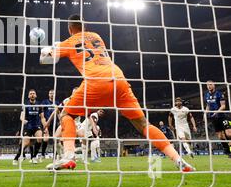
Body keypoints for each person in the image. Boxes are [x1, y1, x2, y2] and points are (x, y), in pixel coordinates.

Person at [40, 15, 194, 172]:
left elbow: (45, 60)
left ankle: (69, 156)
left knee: (66, 115)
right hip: (118, 79)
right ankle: (178, 159)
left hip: (95, 81)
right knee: (143, 124)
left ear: (69, 29)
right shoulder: (97, 36)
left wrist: (48, 49)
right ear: (85, 26)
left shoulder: (69, 42)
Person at [13, 89, 46, 165]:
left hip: (37, 126)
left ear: (36, 95)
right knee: (26, 143)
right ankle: (16, 158)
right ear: (28, 96)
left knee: (40, 138)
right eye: (30, 93)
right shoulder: (26, 105)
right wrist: (23, 120)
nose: (32, 95)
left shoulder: (39, 105)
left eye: (33, 93)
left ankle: (34, 157)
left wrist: (45, 126)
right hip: (28, 126)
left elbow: (42, 117)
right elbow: (21, 116)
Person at [204, 81, 231, 157]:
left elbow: (223, 106)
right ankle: (227, 151)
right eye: (208, 85)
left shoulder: (219, 93)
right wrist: (205, 113)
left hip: (222, 116)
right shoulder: (206, 95)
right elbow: (208, 106)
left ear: (214, 85)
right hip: (214, 118)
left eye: (210, 84)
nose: (209, 86)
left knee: (229, 133)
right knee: (220, 136)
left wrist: (216, 112)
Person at [40, 89, 59, 159]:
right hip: (47, 123)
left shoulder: (57, 103)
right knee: (45, 139)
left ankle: (55, 155)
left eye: (53, 93)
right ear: (48, 94)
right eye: (50, 93)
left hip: (55, 123)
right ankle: (42, 154)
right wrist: (44, 123)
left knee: (56, 139)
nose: (51, 94)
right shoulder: (45, 102)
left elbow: (59, 113)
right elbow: (41, 112)